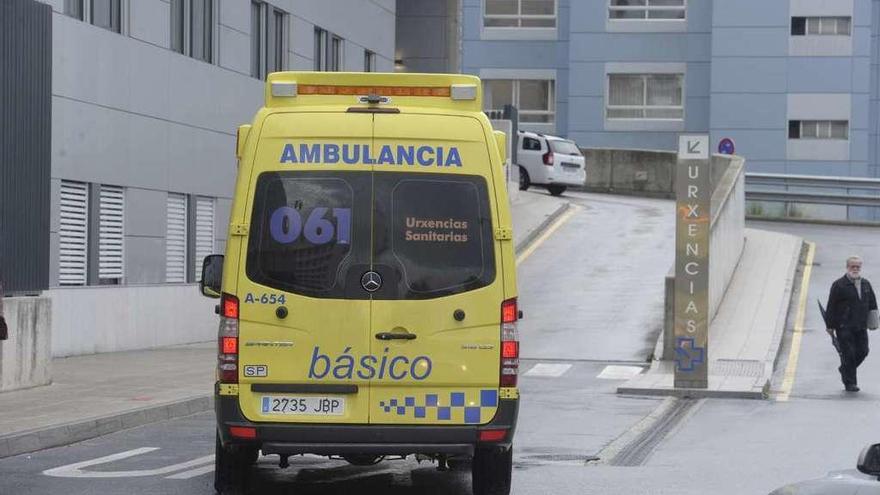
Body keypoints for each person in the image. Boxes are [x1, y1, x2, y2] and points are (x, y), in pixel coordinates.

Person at [826, 256, 878, 392]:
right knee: (848, 354)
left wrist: (874, 323)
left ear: (860, 268)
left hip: (860, 326)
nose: (855, 269)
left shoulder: (866, 284)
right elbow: (831, 305)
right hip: (844, 326)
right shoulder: (839, 285)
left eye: (857, 267)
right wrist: (830, 326)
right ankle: (850, 383)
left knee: (863, 351)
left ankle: (844, 369)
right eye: (852, 266)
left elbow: (872, 303)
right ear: (847, 267)